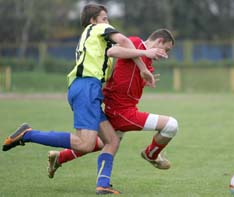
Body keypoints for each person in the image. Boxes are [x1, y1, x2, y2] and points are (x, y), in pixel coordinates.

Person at [2, 3, 167, 195]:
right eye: (105, 18)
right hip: (86, 87)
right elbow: (123, 41)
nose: (108, 22)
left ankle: (103, 184)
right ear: (93, 20)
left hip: (87, 89)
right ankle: (28, 134)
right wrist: (145, 59)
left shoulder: (92, 38)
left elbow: (119, 51)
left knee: (112, 140)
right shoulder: (99, 28)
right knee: (85, 144)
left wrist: (140, 70)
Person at [47, 29, 179, 179]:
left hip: (121, 108)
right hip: (121, 111)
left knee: (102, 143)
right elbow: (113, 50)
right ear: (159, 41)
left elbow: (127, 80)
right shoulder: (136, 43)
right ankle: (151, 154)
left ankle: (60, 158)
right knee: (171, 125)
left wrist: (143, 82)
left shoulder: (148, 63)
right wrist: (143, 54)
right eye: (166, 49)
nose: (165, 55)